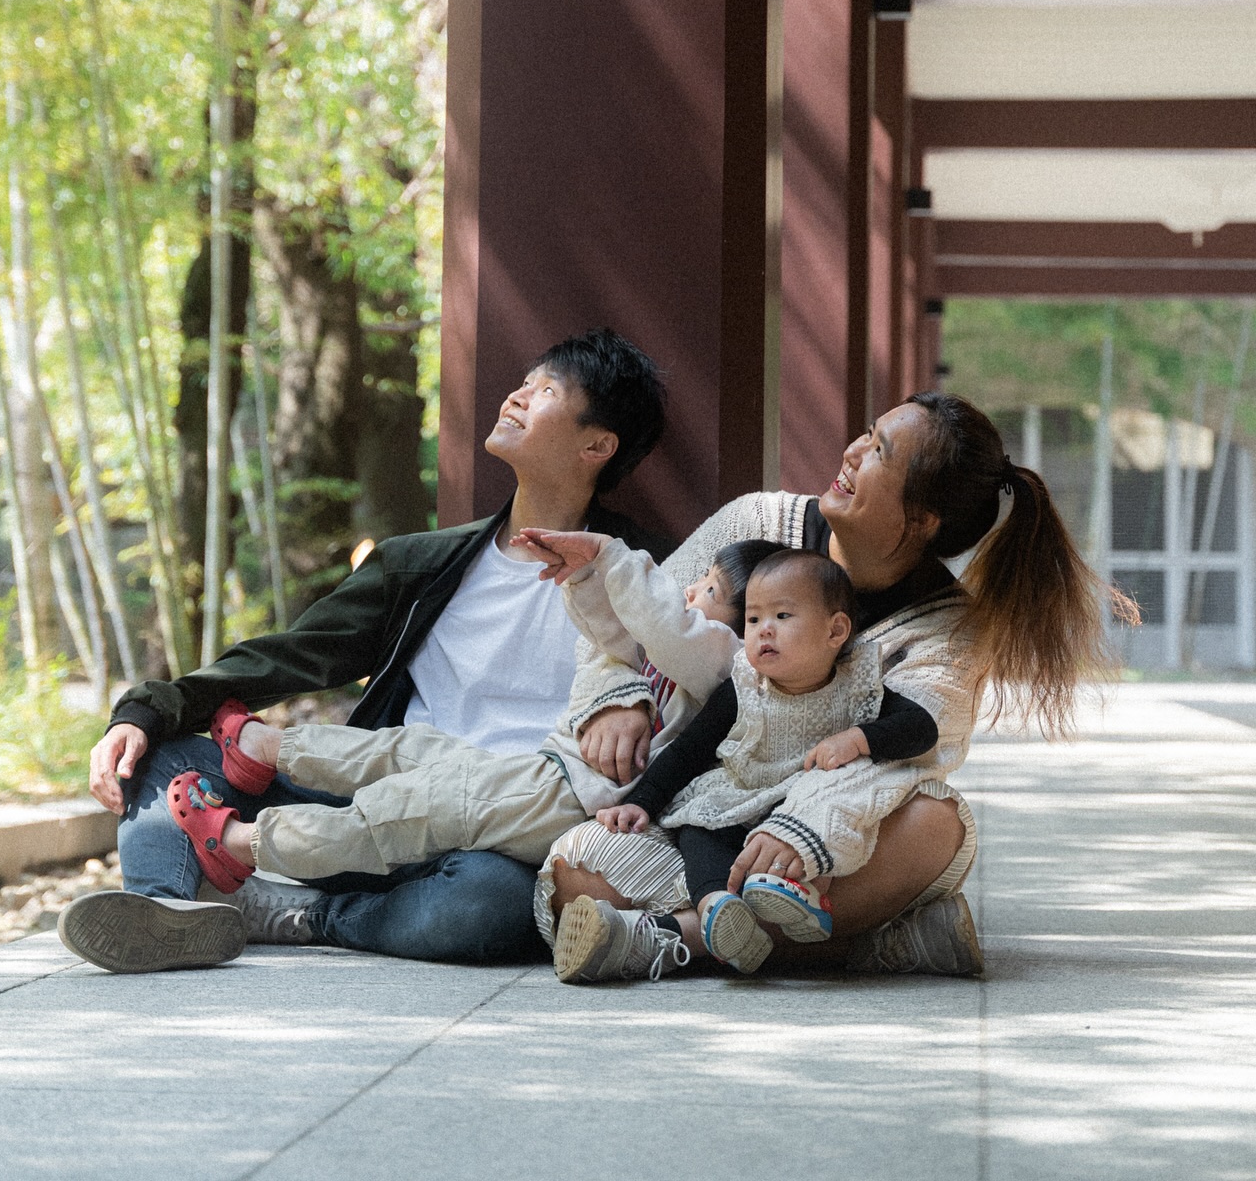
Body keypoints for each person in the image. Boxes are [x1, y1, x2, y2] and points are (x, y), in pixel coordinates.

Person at [59, 328, 674, 975]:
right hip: (371, 798)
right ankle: (162, 913)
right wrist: (143, 711)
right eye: (523, 383)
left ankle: (295, 915)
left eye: (545, 391)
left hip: (499, 832)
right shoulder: (424, 565)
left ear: (596, 445)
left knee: (489, 909)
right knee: (167, 748)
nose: (515, 398)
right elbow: (287, 657)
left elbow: (709, 681)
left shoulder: (648, 575)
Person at [527, 392, 1133, 983]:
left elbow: (909, 751)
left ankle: (673, 939)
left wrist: (800, 828)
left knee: (935, 824)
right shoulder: (757, 522)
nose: (851, 452)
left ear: (921, 520)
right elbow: (637, 615)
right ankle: (874, 945)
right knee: (578, 874)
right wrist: (619, 697)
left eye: (879, 452)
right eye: (866, 434)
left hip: (828, 840)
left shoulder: (950, 628)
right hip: (701, 806)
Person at [147, 540, 773, 900]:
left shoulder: (724, 663)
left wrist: (607, 556)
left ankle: (237, 845)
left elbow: (661, 622)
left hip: (565, 799)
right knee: (410, 750)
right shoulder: (683, 651)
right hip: (542, 770)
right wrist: (582, 579)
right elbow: (610, 632)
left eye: (711, 590)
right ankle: (268, 749)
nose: (690, 593)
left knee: (399, 814)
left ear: (751, 624)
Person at [560, 548, 937, 981]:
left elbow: (921, 728)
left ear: (835, 630)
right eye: (753, 620)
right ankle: (718, 910)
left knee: (825, 824)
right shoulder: (743, 687)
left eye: (781, 616)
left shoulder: (859, 687)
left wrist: (859, 738)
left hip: (797, 804)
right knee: (698, 829)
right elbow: (691, 751)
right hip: (739, 793)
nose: (763, 632)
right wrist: (642, 803)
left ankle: (802, 898)